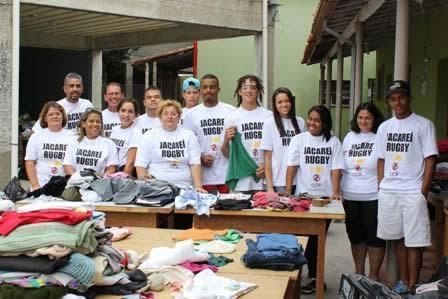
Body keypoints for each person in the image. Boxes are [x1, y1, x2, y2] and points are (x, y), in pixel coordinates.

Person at [375, 80, 438, 293]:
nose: (398, 102)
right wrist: (380, 185)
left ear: (409, 98)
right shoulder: (384, 127)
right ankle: (403, 282)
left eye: (401, 97)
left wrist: (423, 191)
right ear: (389, 102)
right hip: (389, 191)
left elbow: (430, 159)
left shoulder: (424, 125)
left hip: (413, 191)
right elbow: (381, 159)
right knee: (398, 239)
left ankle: (413, 284)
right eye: (393, 99)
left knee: (415, 241)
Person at [285, 105, 344, 294]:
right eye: (310, 119)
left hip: (324, 199)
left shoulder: (333, 142)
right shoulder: (299, 140)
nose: (312, 123)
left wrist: (335, 192)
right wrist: (288, 192)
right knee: (305, 239)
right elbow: (292, 167)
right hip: (304, 198)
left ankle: (315, 278)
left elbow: (336, 169)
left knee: (318, 239)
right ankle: (310, 277)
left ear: (325, 123)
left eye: (317, 120)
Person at [341, 102, 385, 280]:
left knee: (375, 238)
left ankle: (373, 277)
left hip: (373, 196)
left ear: (374, 119)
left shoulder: (380, 137)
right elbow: (342, 167)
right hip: (350, 195)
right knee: (356, 237)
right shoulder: (350, 137)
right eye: (360, 117)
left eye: (368, 117)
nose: (363, 121)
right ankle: (359, 274)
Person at [135, 100, 205, 191]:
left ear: (179, 117)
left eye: (173, 114)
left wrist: (198, 187)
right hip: (157, 188)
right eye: (166, 114)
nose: (169, 117)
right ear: (160, 117)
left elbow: (195, 163)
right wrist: (146, 186)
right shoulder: (149, 135)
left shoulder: (189, 135)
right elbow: (140, 165)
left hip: (184, 187)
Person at [183, 74, 235, 193]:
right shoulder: (191, 115)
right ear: (200, 90)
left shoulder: (231, 111)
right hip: (202, 178)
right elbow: (187, 144)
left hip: (226, 175)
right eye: (205, 87)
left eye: (212, 87)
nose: (209, 91)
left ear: (218, 90)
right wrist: (201, 156)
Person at [221, 75, 272, 193]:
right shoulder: (231, 117)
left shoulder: (269, 116)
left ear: (258, 91)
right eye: (245, 87)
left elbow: (275, 149)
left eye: (253, 87)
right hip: (241, 181)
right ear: (239, 91)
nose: (249, 90)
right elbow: (227, 154)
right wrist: (225, 140)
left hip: (264, 179)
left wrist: (266, 166)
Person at [260, 87, 305, 192]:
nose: (284, 105)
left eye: (287, 101)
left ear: (292, 102)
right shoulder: (269, 123)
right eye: (279, 102)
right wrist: (270, 187)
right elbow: (267, 157)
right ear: (275, 105)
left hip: (297, 182)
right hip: (277, 183)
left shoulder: (300, 122)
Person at [25, 101, 75, 190]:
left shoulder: (73, 137)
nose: (55, 117)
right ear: (44, 118)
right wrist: (35, 185)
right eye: (51, 114)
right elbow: (29, 163)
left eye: (58, 114)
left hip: (64, 186)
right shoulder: (36, 137)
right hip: (41, 184)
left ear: (63, 117)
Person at [63, 109, 118, 175]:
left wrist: (101, 180)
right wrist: (75, 179)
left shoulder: (109, 144)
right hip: (76, 183)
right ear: (83, 124)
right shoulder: (74, 142)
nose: (95, 124)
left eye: (98, 122)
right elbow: (67, 165)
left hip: (99, 183)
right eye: (91, 121)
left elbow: (111, 168)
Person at [109, 98, 141, 175]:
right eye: (123, 110)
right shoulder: (115, 129)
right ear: (118, 111)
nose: (126, 115)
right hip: (111, 170)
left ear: (136, 115)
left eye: (130, 112)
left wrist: (122, 180)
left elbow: (130, 164)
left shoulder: (135, 133)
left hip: (123, 172)